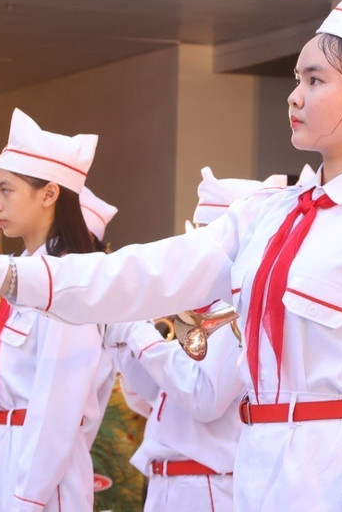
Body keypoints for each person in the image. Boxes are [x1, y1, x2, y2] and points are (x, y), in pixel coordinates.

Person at [0, 0, 342, 510]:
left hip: (333, 484)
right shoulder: (269, 215)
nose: (294, 97)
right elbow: (146, 271)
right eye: (296, 79)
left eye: (315, 80)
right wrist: (7, 274)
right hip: (256, 471)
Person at [106, 167, 283, 512]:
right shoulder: (197, 305)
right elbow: (154, 399)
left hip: (208, 488)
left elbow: (204, 399)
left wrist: (139, 335)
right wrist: (123, 346)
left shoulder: (237, 309)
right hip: (168, 483)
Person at [0, 109, 109, 512]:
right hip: (6, 454)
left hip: (42, 477)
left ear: (49, 194)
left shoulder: (68, 281)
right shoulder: (23, 278)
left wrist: (29, 496)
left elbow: (60, 404)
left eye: (6, 190)